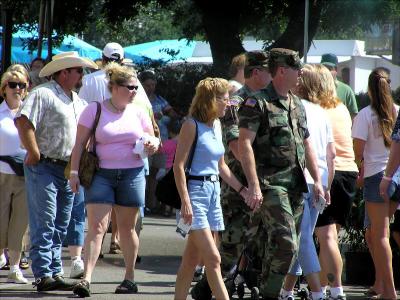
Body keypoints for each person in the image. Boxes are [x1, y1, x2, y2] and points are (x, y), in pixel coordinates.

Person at [238, 48, 324, 299]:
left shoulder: (296, 103)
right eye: (297, 69)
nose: (301, 74)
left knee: (281, 246)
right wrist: (253, 185)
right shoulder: (257, 102)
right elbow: (244, 144)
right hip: (271, 184)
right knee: (287, 243)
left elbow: (306, 143)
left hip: (296, 185)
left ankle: (265, 290)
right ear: (283, 71)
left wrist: (317, 180)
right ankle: (269, 294)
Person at [70, 62, 157, 297]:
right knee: (97, 227)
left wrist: (151, 144)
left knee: (127, 229)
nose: (135, 92)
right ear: (114, 87)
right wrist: (74, 173)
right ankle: (86, 279)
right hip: (101, 174)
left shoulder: (139, 111)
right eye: (130, 87)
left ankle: (129, 277)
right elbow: (78, 145)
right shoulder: (94, 109)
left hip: (133, 174)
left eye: (136, 87)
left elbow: (153, 139)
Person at [14, 51, 98, 292]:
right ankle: (43, 274)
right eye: (78, 70)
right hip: (44, 166)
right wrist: (34, 151)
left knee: (61, 222)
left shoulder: (78, 101)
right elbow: (23, 121)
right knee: (46, 219)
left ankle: (52, 270)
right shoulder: (43, 93)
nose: (82, 75)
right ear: (64, 73)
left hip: (67, 168)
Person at [174, 77, 249, 300]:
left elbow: (221, 166)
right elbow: (178, 166)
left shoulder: (216, 125)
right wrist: (185, 201)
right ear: (211, 100)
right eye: (225, 99)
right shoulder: (191, 125)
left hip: (213, 193)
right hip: (196, 192)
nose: (229, 104)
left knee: (189, 261)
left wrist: (242, 190)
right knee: (214, 259)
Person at [78, 42, 157, 255]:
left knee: (97, 221)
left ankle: (103, 243)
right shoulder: (135, 83)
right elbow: (150, 114)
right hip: (133, 156)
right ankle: (116, 240)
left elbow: (81, 113)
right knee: (127, 220)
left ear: (102, 60)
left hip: (106, 156)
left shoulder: (90, 80)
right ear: (122, 61)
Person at [281, 64, 336, 300]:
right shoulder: (322, 112)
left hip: (301, 180)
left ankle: (317, 293)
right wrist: (327, 186)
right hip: (320, 180)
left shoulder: (293, 107)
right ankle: (287, 290)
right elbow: (331, 154)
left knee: (302, 240)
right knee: (303, 238)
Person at [220, 50, 271, 274]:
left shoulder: (269, 101)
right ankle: (210, 284)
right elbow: (235, 144)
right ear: (256, 72)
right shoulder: (236, 102)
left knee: (260, 242)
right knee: (234, 242)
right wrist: (253, 177)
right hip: (240, 184)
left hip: (261, 182)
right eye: (270, 71)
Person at [312, 64, 358, 300]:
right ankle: (320, 288)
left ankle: (337, 290)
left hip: (332, 173)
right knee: (329, 237)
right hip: (349, 173)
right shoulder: (340, 107)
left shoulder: (316, 109)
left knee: (326, 236)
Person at [353, 68, 398, 300]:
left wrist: (360, 169)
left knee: (379, 235)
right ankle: (380, 284)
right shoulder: (398, 111)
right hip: (395, 177)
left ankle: (389, 291)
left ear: (370, 88)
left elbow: (358, 151)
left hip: (375, 177)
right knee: (375, 235)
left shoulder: (364, 115)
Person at [0, 68, 30, 284]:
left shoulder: (28, 115)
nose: (17, 88)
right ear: (4, 89)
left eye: (22, 85)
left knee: (20, 222)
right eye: (13, 84)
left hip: (25, 174)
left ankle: (15, 267)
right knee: (0, 221)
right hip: (1, 173)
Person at [320, 53, 358, 118]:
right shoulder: (315, 87)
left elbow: (353, 115)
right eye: (323, 68)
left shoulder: (346, 90)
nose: (325, 71)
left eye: (329, 69)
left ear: (336, 70)